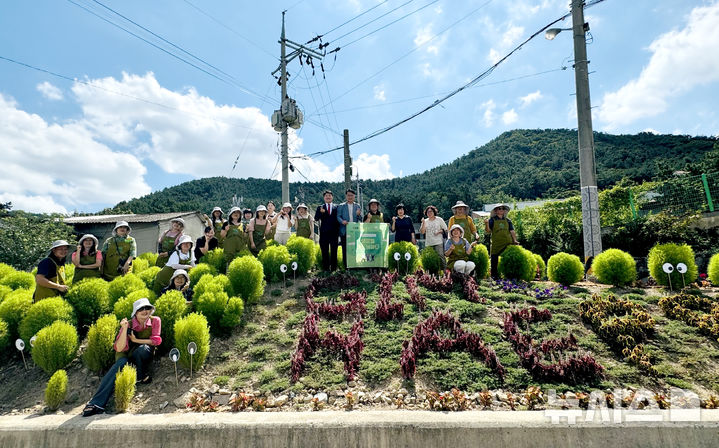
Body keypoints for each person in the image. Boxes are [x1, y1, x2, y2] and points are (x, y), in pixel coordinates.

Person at [82, 298, 161, 417]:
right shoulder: (128, 324)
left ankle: (140, 375)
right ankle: (96, 403)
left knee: (142, 350)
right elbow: (119, 348)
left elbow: (156, 341)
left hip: (142, 352)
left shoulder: (155, 320)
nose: (145, 311)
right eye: (141, 309)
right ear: (135, 312)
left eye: (147, 308)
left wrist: (136, 340)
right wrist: (124, 330)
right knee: (120, 364)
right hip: (125, 353)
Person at [485, 203, 519, 278]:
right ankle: (494, 276)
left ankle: (509, 275)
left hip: (507, 242)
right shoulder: (492, 220)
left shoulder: (508, 220)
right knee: (494, 260)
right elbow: (488, 231)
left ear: (504, 211)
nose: (501, 210)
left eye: (503, 208)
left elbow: (512, 231)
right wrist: (486, 224)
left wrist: (515, 240)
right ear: (496, 211)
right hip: (496, 243)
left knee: (509, 259)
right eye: (499, 208)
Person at [314, 190, 339, 271]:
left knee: (334, 251)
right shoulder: (320, 207)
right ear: (324, 198)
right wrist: (321, 213)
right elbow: (316, 218)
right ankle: (326, 269)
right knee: (324, 251)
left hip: (334, 233)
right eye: (326, 196)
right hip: (324, 233)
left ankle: (334, 269)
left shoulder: (337, 207)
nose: (328, 197)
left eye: (329, 195)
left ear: (332, 197)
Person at [337, 189, 362, 269]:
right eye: (348, 195)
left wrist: (358, 215)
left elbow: (360, 219)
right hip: (344, 230)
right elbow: (338, 216)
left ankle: (354, 265)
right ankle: (346, 266)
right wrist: (342, 221)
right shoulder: (341, 206)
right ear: (346, 196)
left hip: (354, 231)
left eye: (351, 195)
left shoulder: (358, 206)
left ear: (354, 196)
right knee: (345, 249)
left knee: (354, 249)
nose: (350, 197)